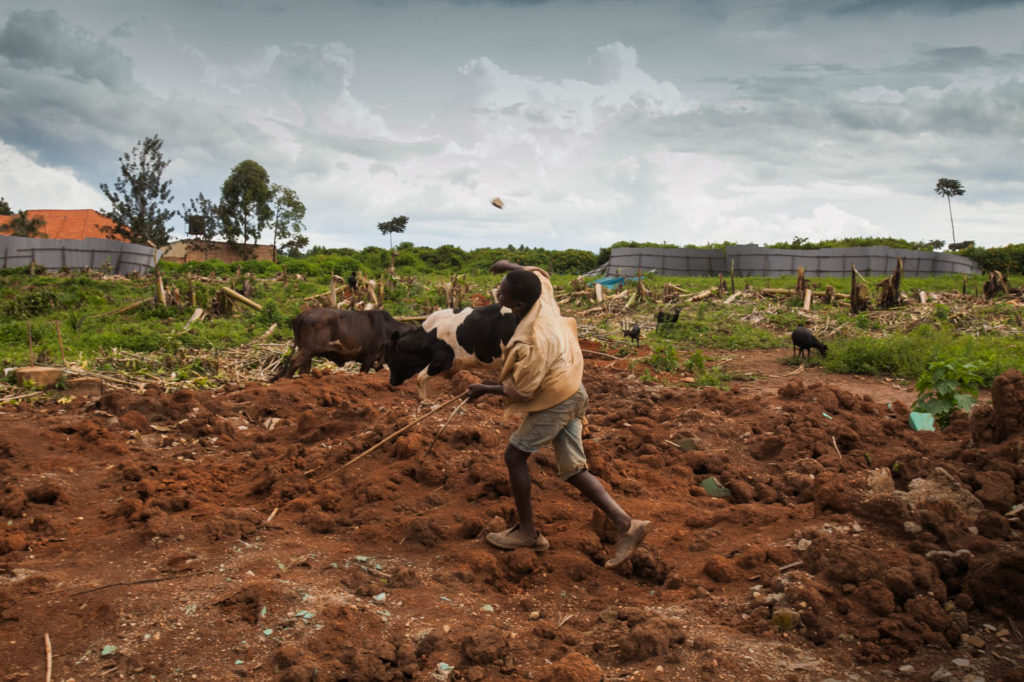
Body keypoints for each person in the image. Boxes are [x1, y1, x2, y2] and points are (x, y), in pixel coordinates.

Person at [467, 260, 649, 568]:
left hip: (556, 399)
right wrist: (510, 266)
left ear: (520, 303)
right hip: (573, 387)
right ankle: (626, 524)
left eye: (503, 296)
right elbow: (542, 275)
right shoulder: (544, 298)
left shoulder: (533, 341)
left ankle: (528, 533)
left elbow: (524, 390)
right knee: (574, 470)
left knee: (514, 456)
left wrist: (484, 388)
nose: (498, 297)